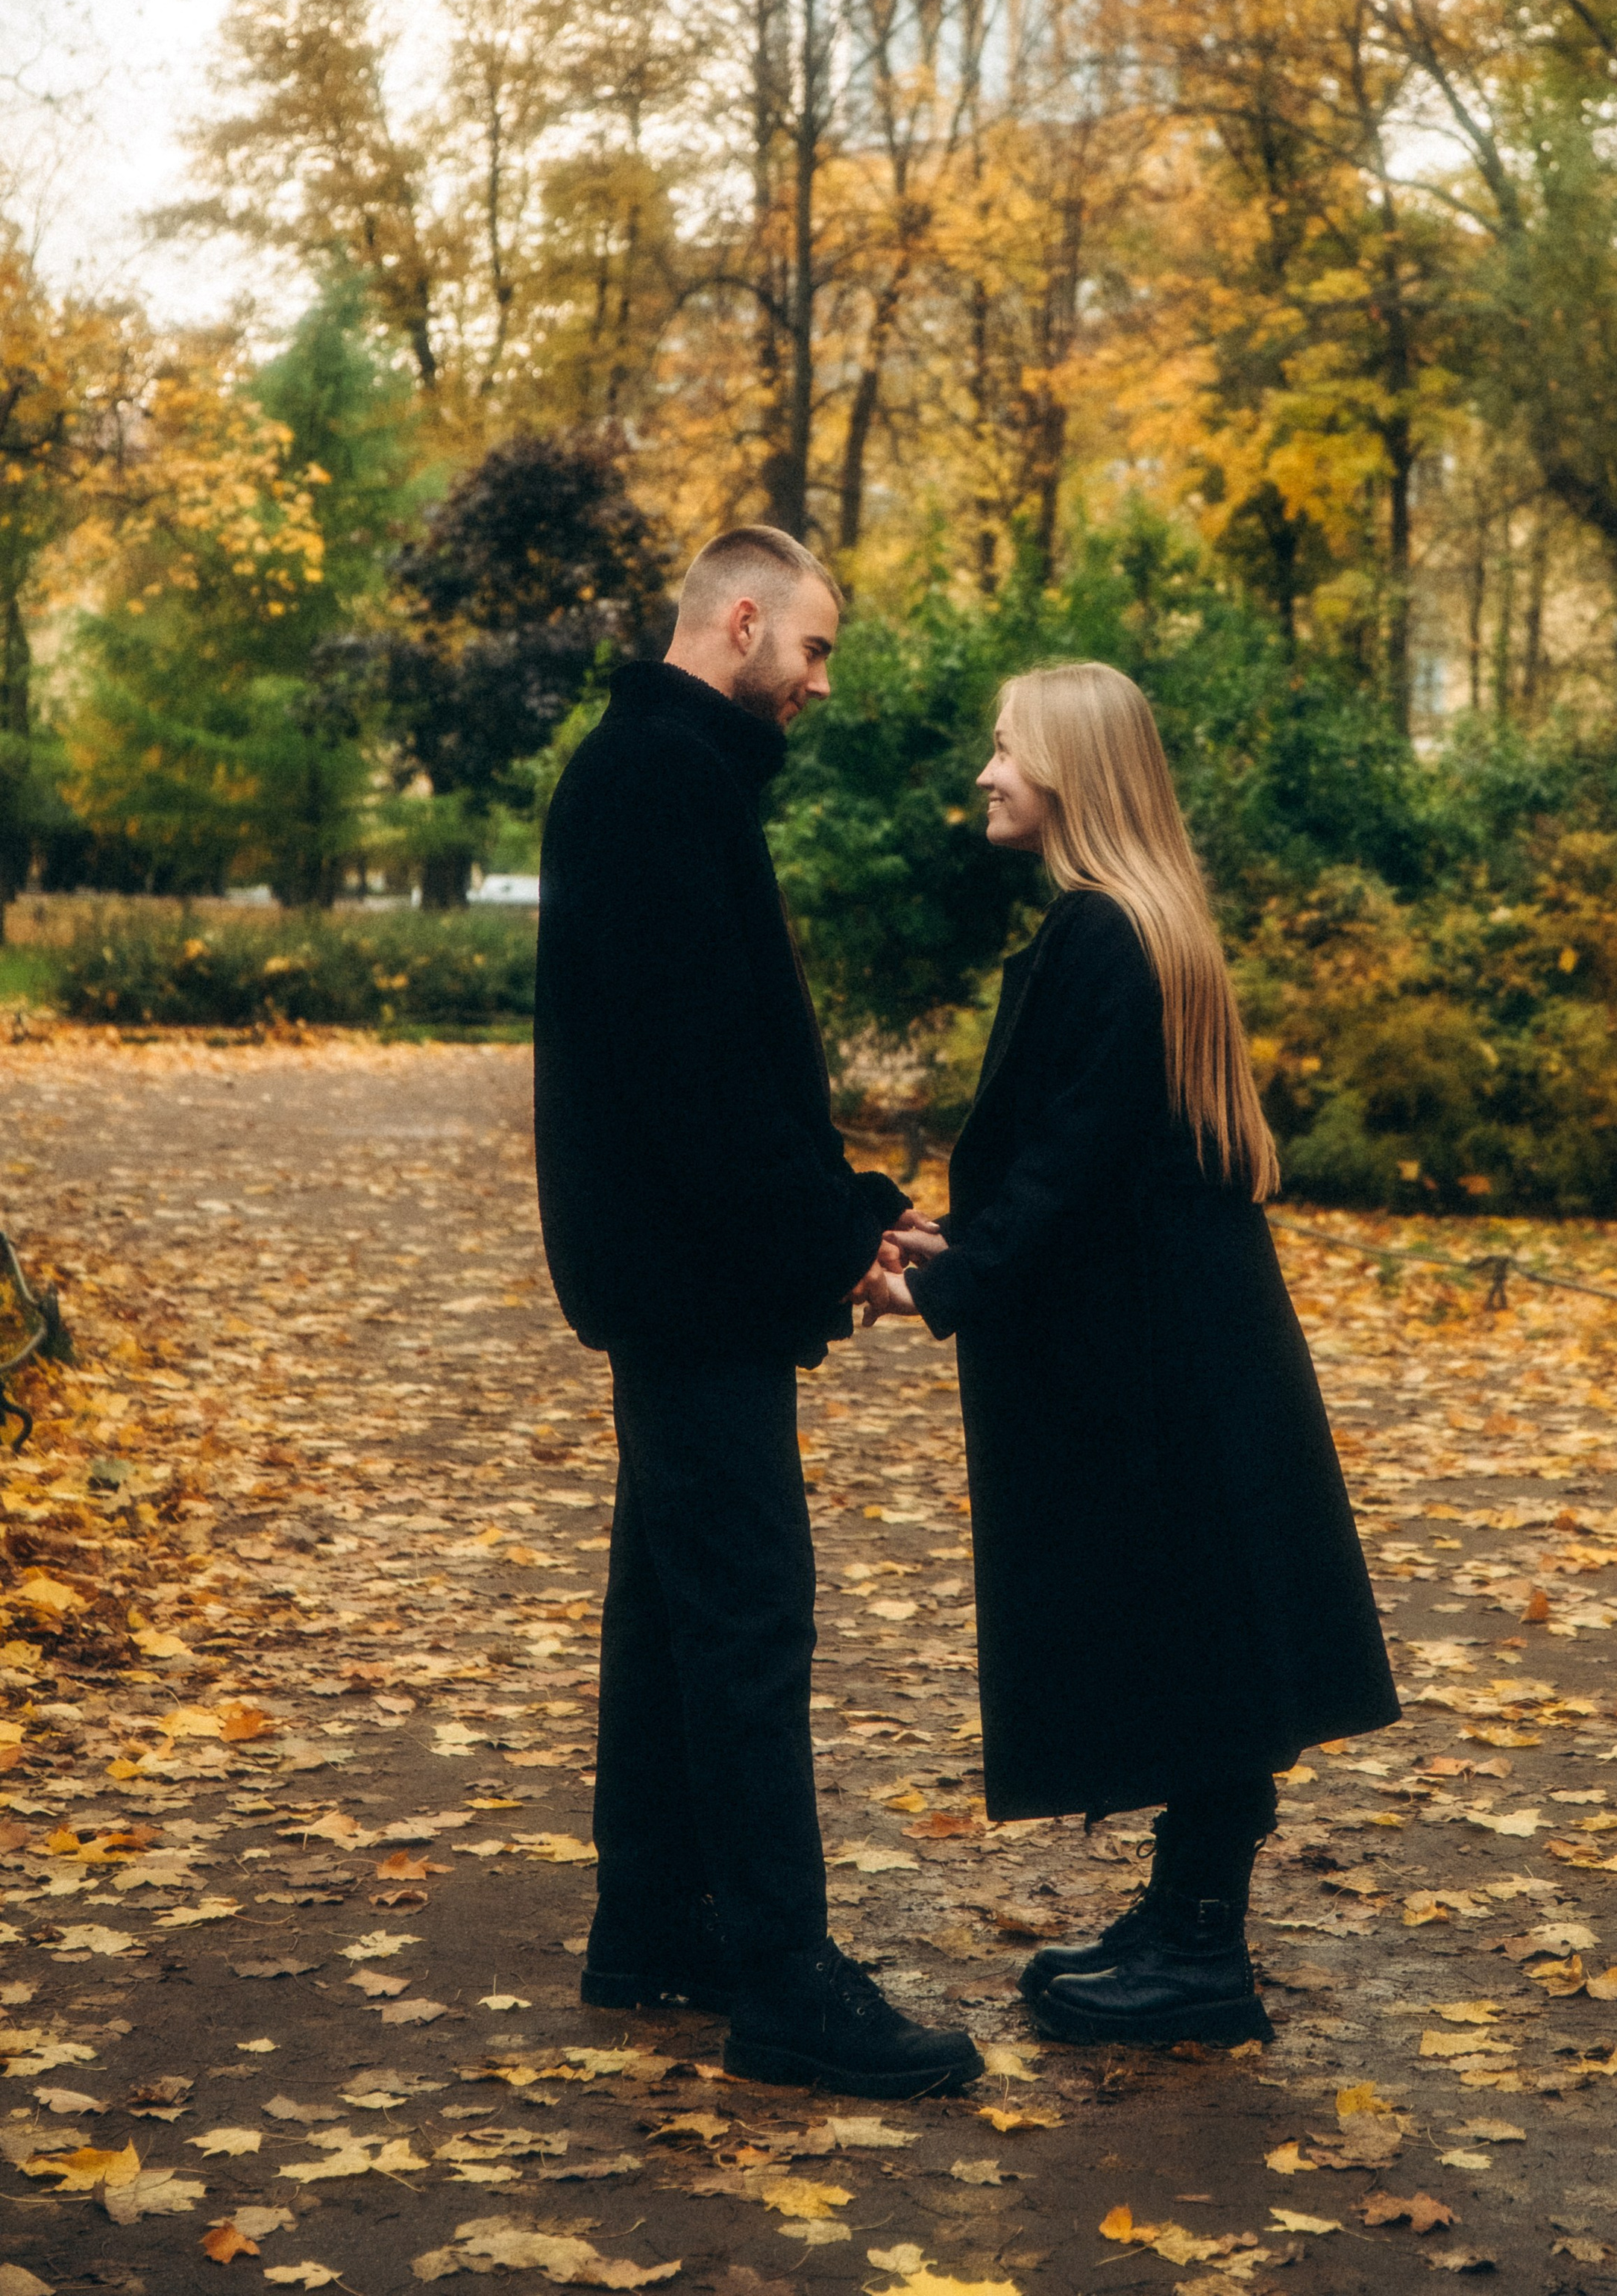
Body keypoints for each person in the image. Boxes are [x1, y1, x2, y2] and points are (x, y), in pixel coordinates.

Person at [863, 661, 1399, 2046]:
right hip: (1182, 1341)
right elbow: (1080, 1157)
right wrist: (959, 1251)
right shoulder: (1143, 927)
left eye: (1005, 751)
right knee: (1204, 1626)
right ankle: (1182, 1917)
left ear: (1071, 774)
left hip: (1154, 1359)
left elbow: (1075, 1163)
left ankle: (1204, 1957)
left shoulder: (1107, 934)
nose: (986, 773)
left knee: (1193, 1634)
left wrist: (954, 1282)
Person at [534, 523, 982, 2101]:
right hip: (690, 1273)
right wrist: (832, 1234)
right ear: (740, 622)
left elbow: (717, 1063)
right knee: (744, 1616)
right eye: (813, 649)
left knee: (671, 1604)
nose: (817, 682)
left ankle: (653, 1924)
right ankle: (782, 1976)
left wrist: (841, 1209)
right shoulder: (661, 782)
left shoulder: (658, 772)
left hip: (677, 1267)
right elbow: (698, 1083)